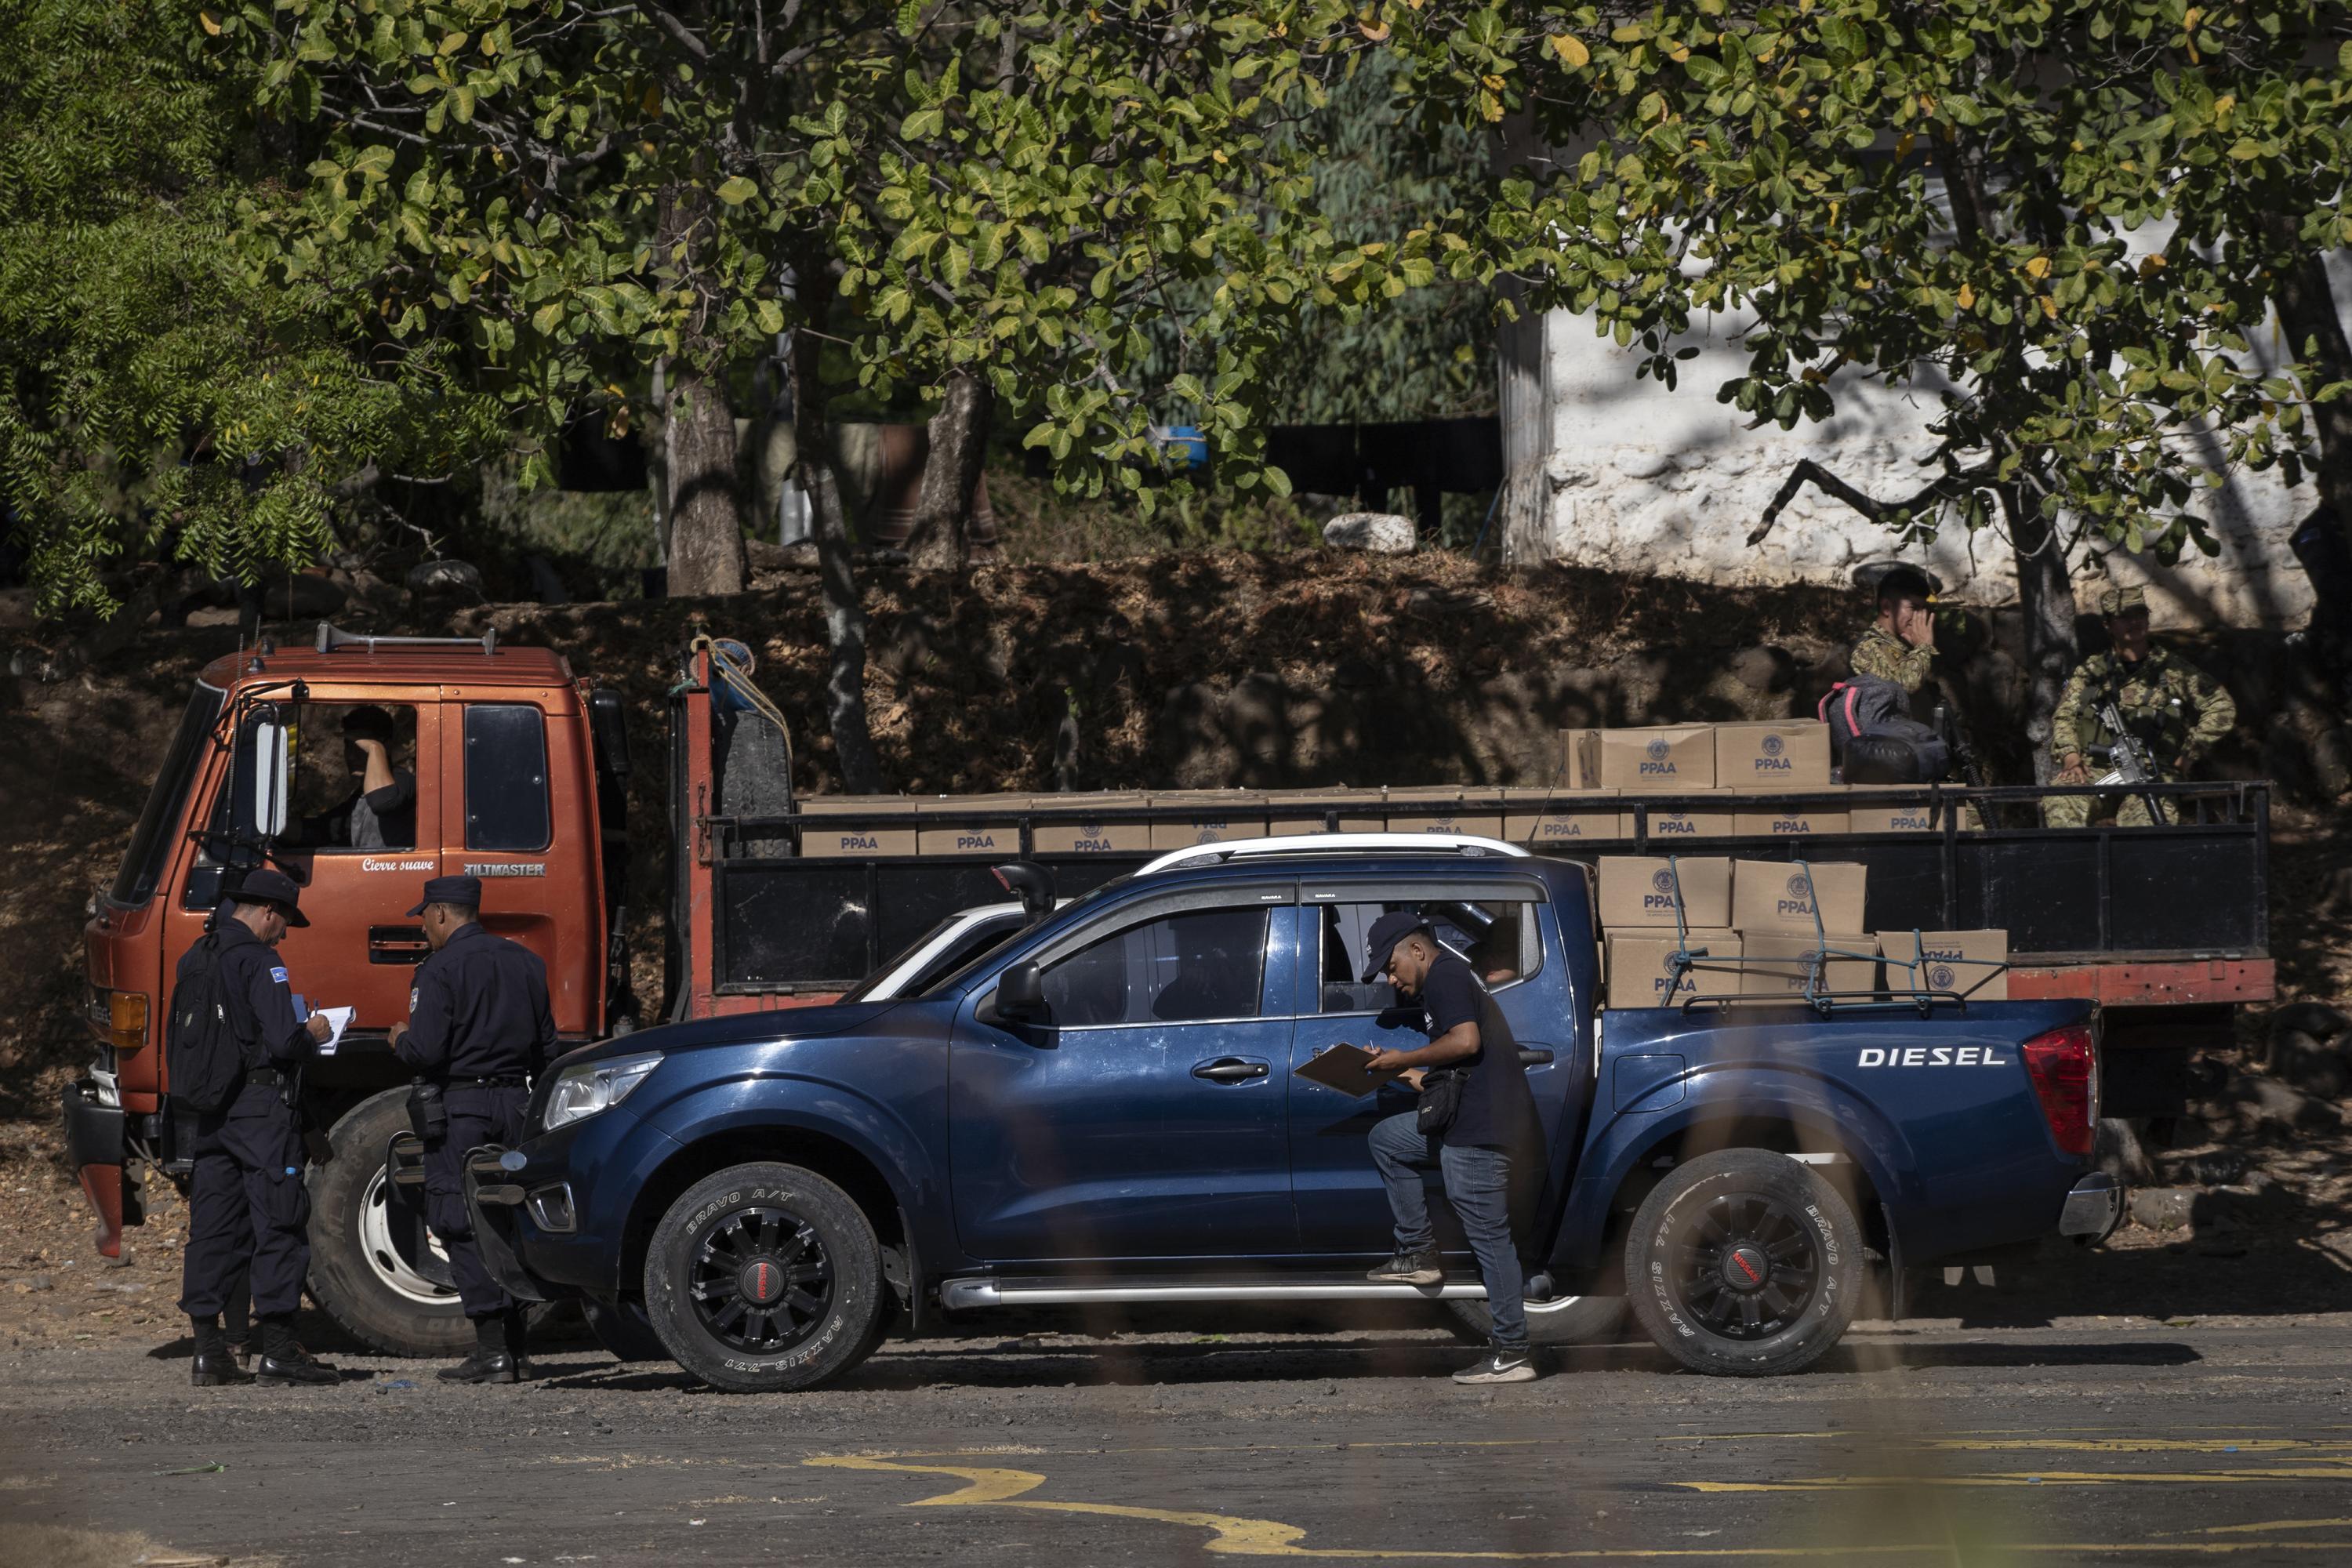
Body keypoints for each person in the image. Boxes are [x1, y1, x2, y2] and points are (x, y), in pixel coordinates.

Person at [1356, 913, 1546, 1385]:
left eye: (1393, 966)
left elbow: (1465, 1042)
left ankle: (1513, 1353)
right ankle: (1419, 1254)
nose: (1393, 979)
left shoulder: (1446, 976)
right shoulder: (1443, 983)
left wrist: (1405, 1055)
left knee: (1489, 1238)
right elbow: (1446, 1076)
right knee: (1387, 1140)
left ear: (1417, 950)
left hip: (1482, 1130)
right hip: (1463, 1118)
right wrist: (1392, 1069)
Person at [176, 868, 340, 1388]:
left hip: (208, 1113)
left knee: (212, 1230)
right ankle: (278, 1350)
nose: (285, 933)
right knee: (279, 1223)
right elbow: (285, 1042)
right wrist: (313, 1030)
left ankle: (209, 1353)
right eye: (285, 921)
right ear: (268, 912)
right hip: (259, 1111)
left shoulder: (194, 957)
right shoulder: (260, 959)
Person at [390, 875, 557, 1383]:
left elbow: (426, 1052)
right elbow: (547, 1049)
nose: (423, 928)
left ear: (442, 915)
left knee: (459, 1218)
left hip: (462, 1110)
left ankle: (492, 1350)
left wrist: (398, 1038)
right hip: (517, 1105)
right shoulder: (527, 963)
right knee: (511, 1217)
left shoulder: (439, 970)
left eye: (424, 917)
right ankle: (519, 1348)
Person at [2045, 586, 2236, 827]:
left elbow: (2221, 705)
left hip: (2152, 771)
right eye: (2124, 617)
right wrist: (2071, 757)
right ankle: (2074, 863)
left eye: (2140, 614)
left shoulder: (2173, 669)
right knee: (2062, 801)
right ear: (2108, 625)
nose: (2134, 622)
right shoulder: (2091, 672)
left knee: (2145, 825)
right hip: (2094, 768)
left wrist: (2189, 752)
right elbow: (2065, 716)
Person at [301, 705, 416, 849]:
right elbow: (325, 829)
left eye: (361, 747)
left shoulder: (402, 780)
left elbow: (382, 801)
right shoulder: (360, 796)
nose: (351, 755)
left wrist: (375, 748)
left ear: (385, 746)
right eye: (348, 746)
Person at [1849, 564, 1940, 698]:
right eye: (1914, 608)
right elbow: (1907, 686)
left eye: (1923, 609)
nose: (1920, 616)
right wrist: (1924, 648)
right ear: (1887, 607)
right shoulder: (1868, 648)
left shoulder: (1903, 644)